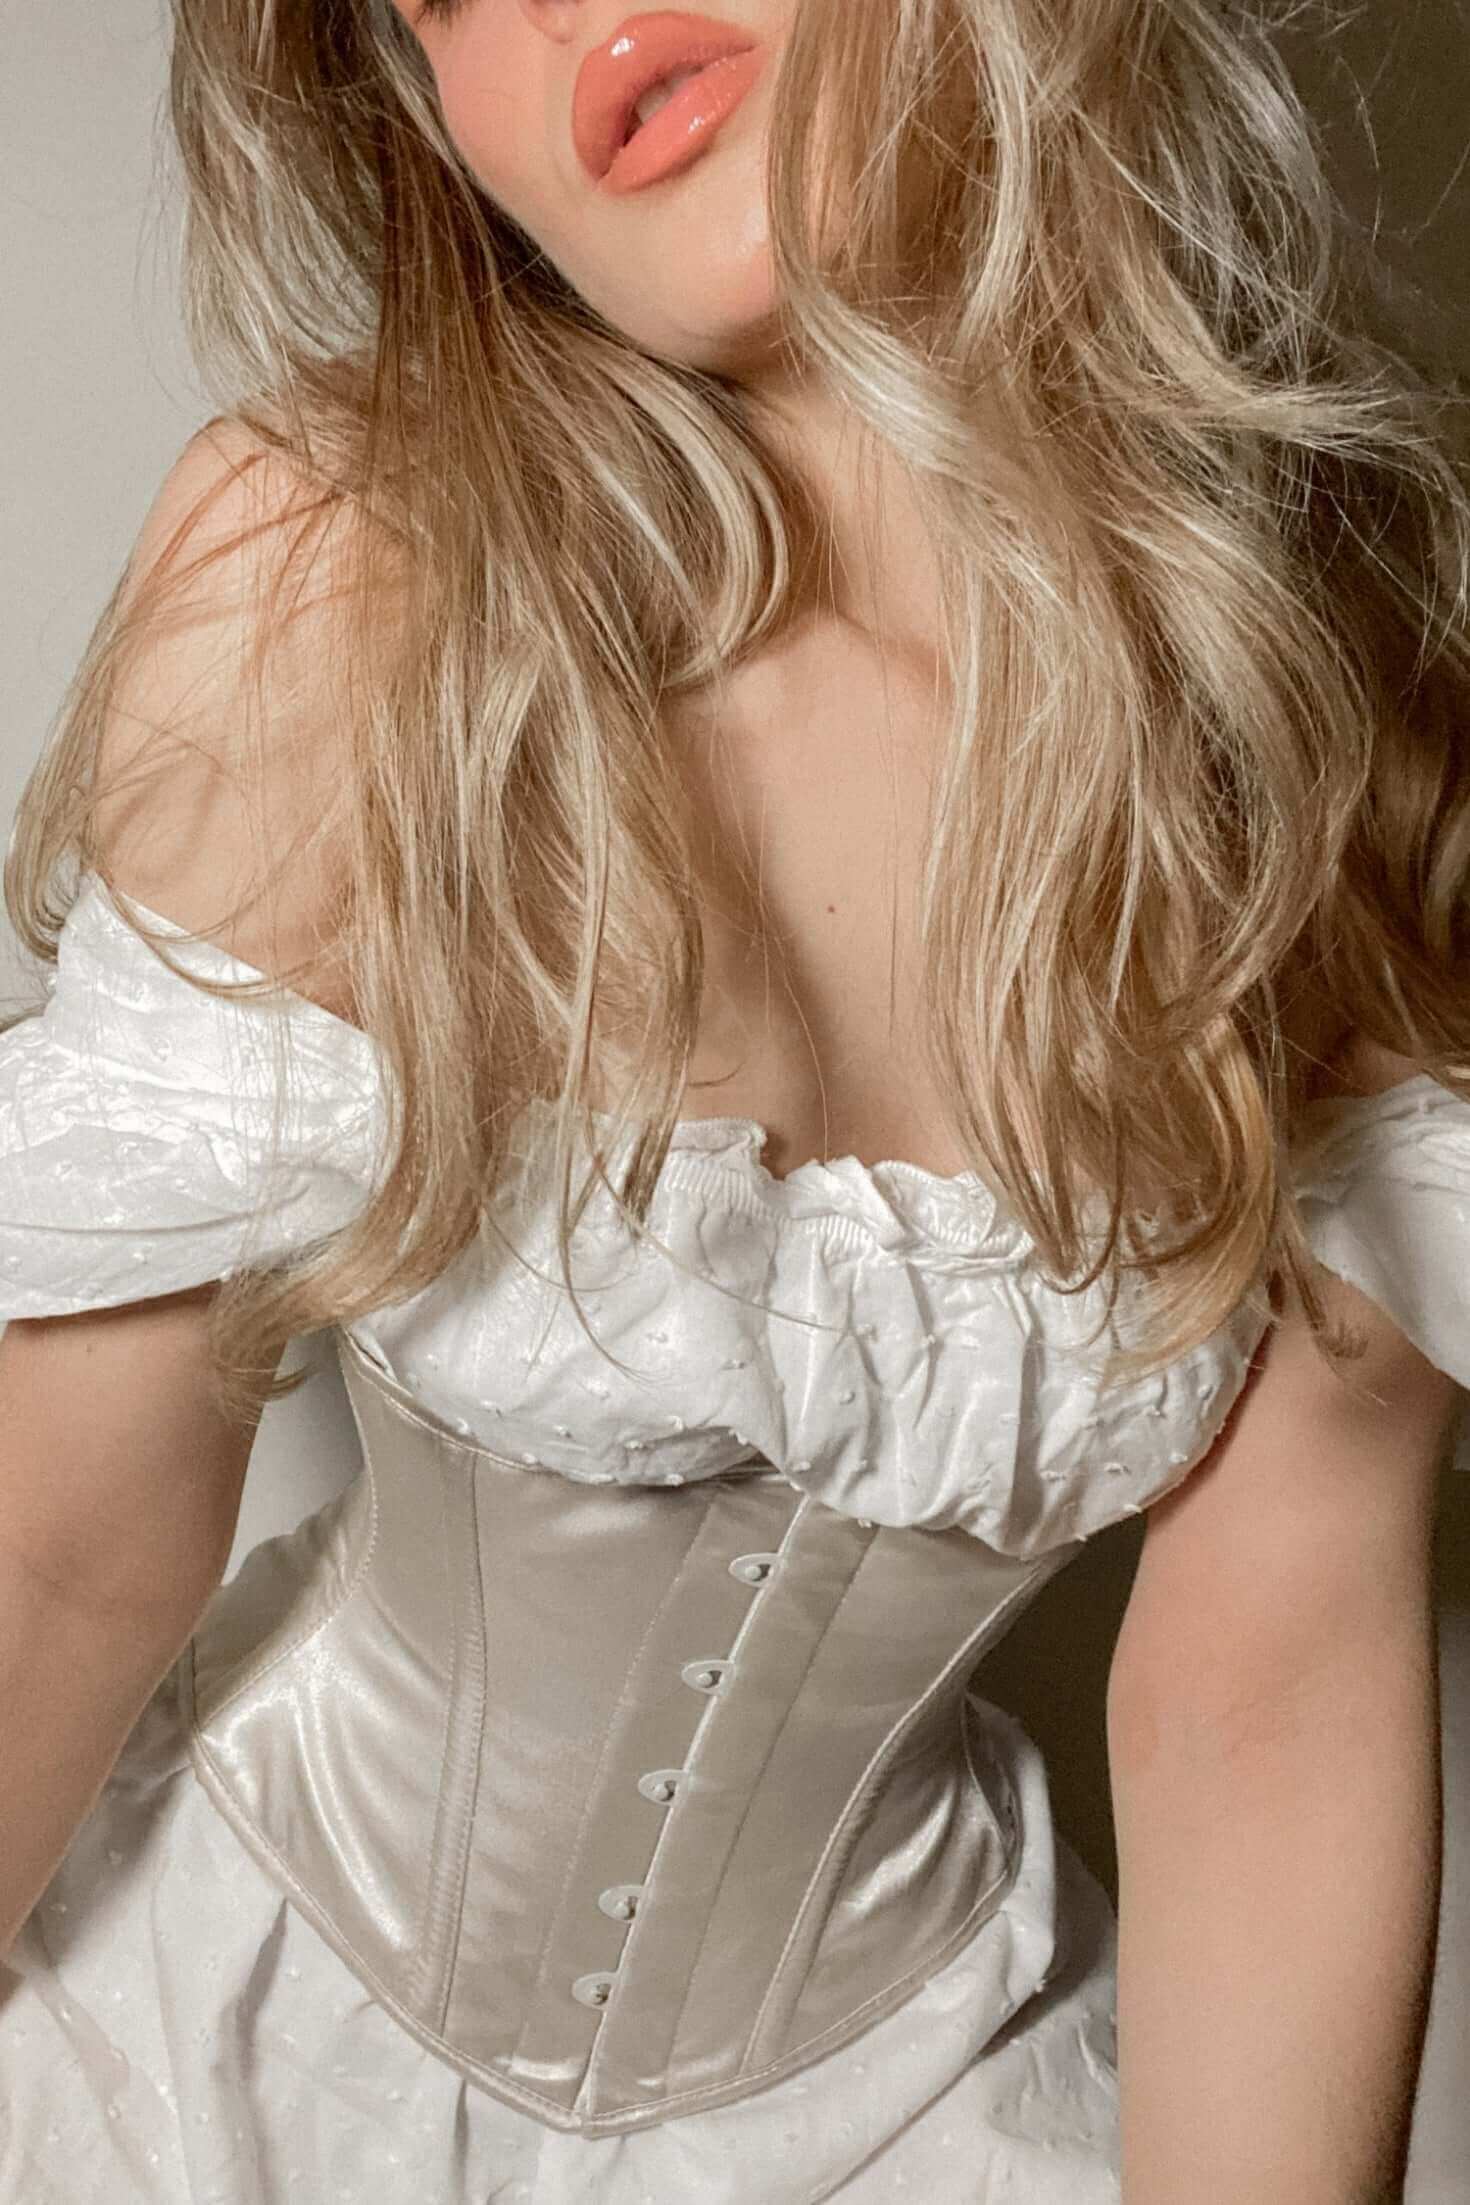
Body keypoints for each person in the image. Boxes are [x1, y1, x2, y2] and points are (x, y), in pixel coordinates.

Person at [1, 1, 1467, 2198]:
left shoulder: (1348, 730)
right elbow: (61, 1550)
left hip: (929, 2108)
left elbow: (1265, 1690)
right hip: (190, 2040)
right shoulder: (348, 580)